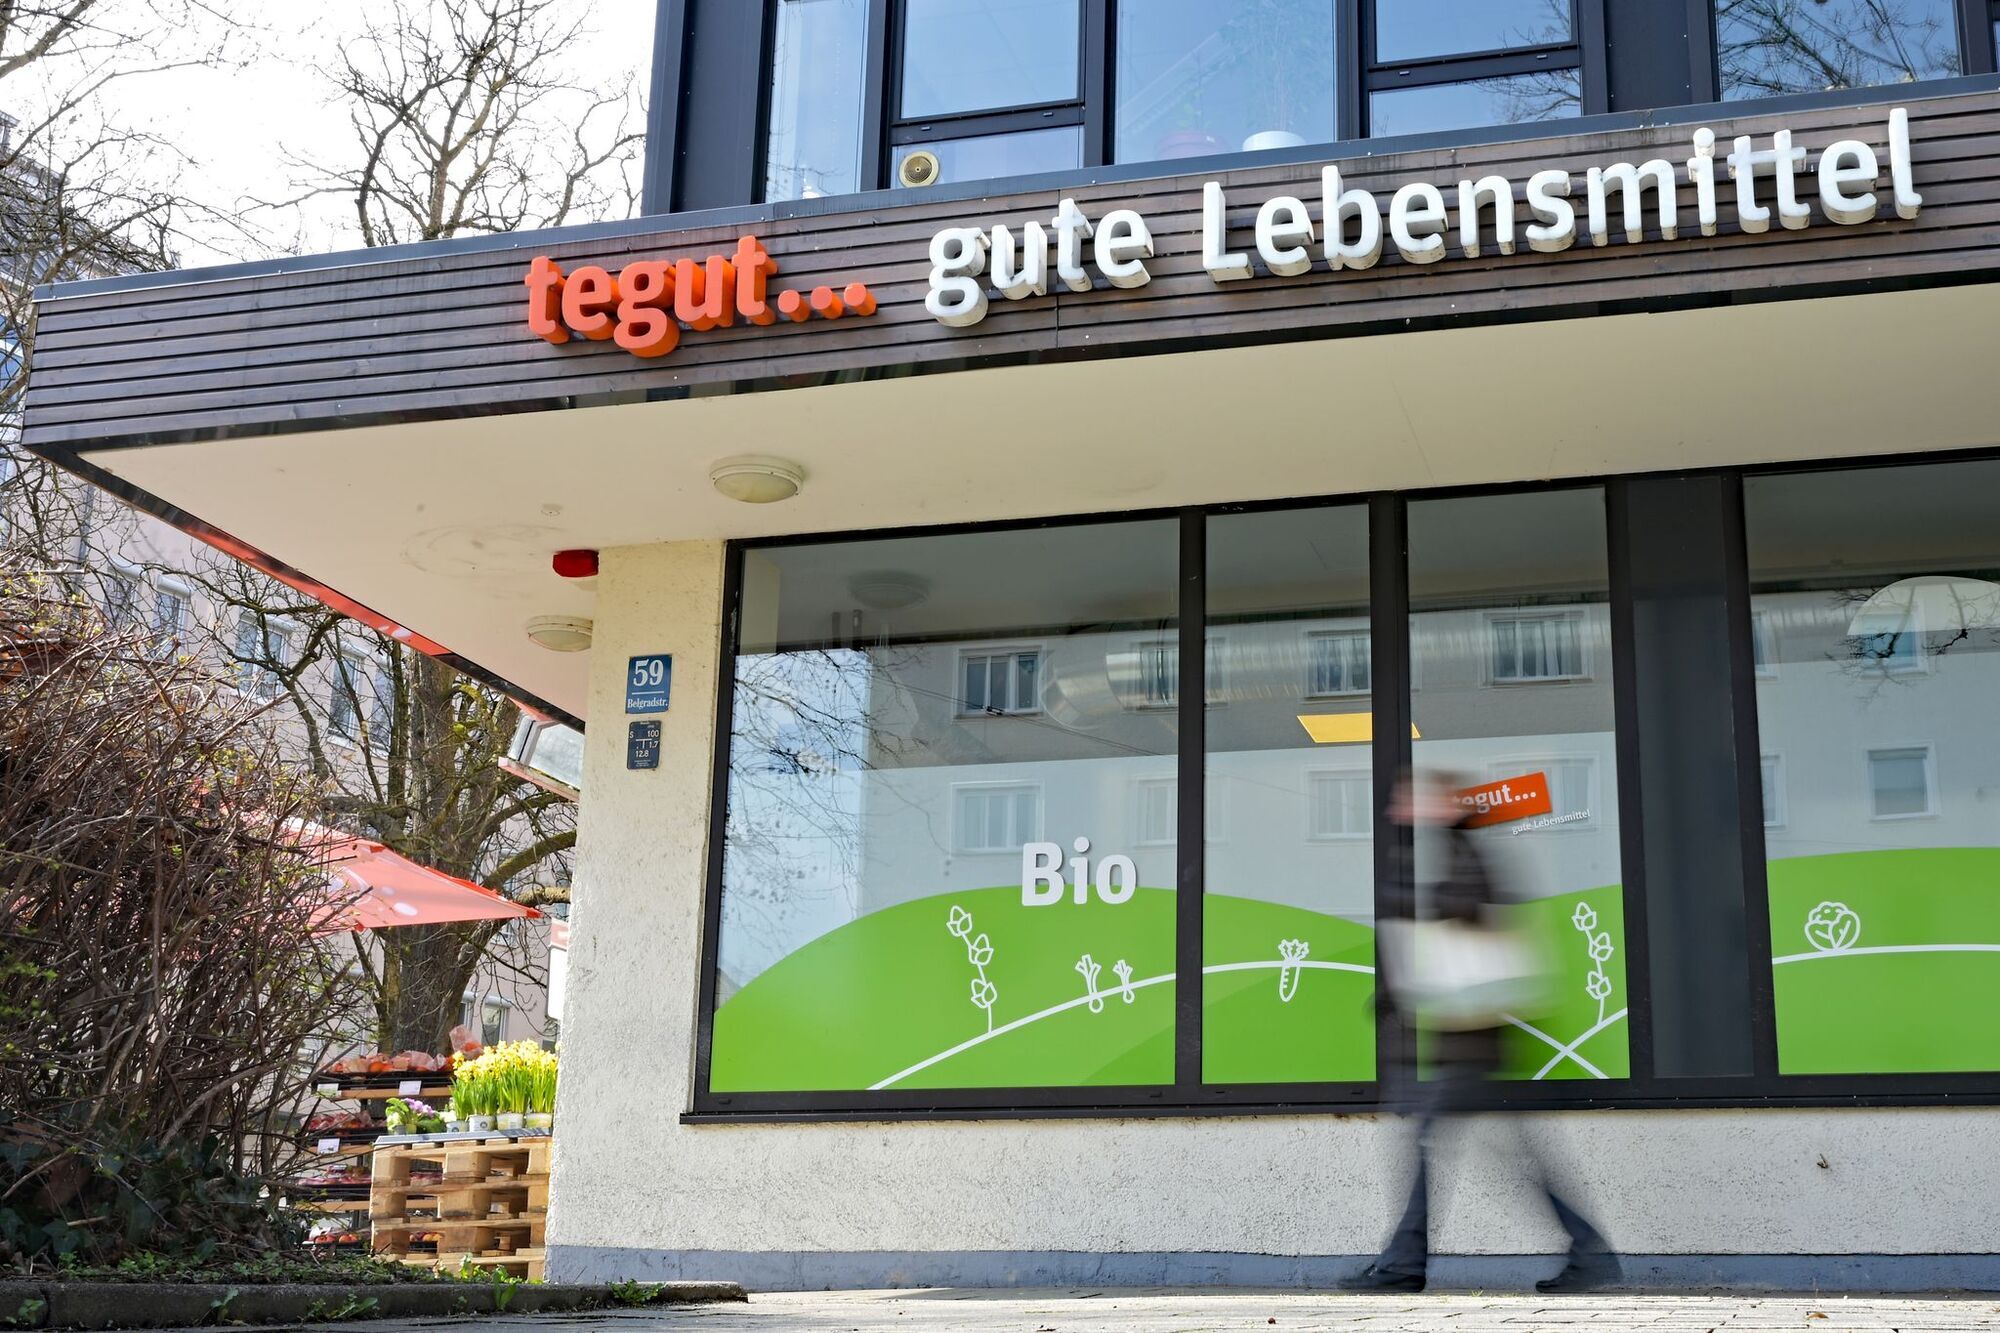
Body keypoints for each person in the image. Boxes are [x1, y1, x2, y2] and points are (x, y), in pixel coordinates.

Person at [1345, 768, 1619, 1294]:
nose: (1400, 808)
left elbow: (1465, 907)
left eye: (1412, 799)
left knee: (1427, 1142)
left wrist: (1416, 906)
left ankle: (1403, 1266)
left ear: (1443, 804)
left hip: (1473, 1038)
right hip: (1468, 1038)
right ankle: (1588, 1251)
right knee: (1510, 1155)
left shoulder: (1467, 850)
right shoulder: (1453, 848)